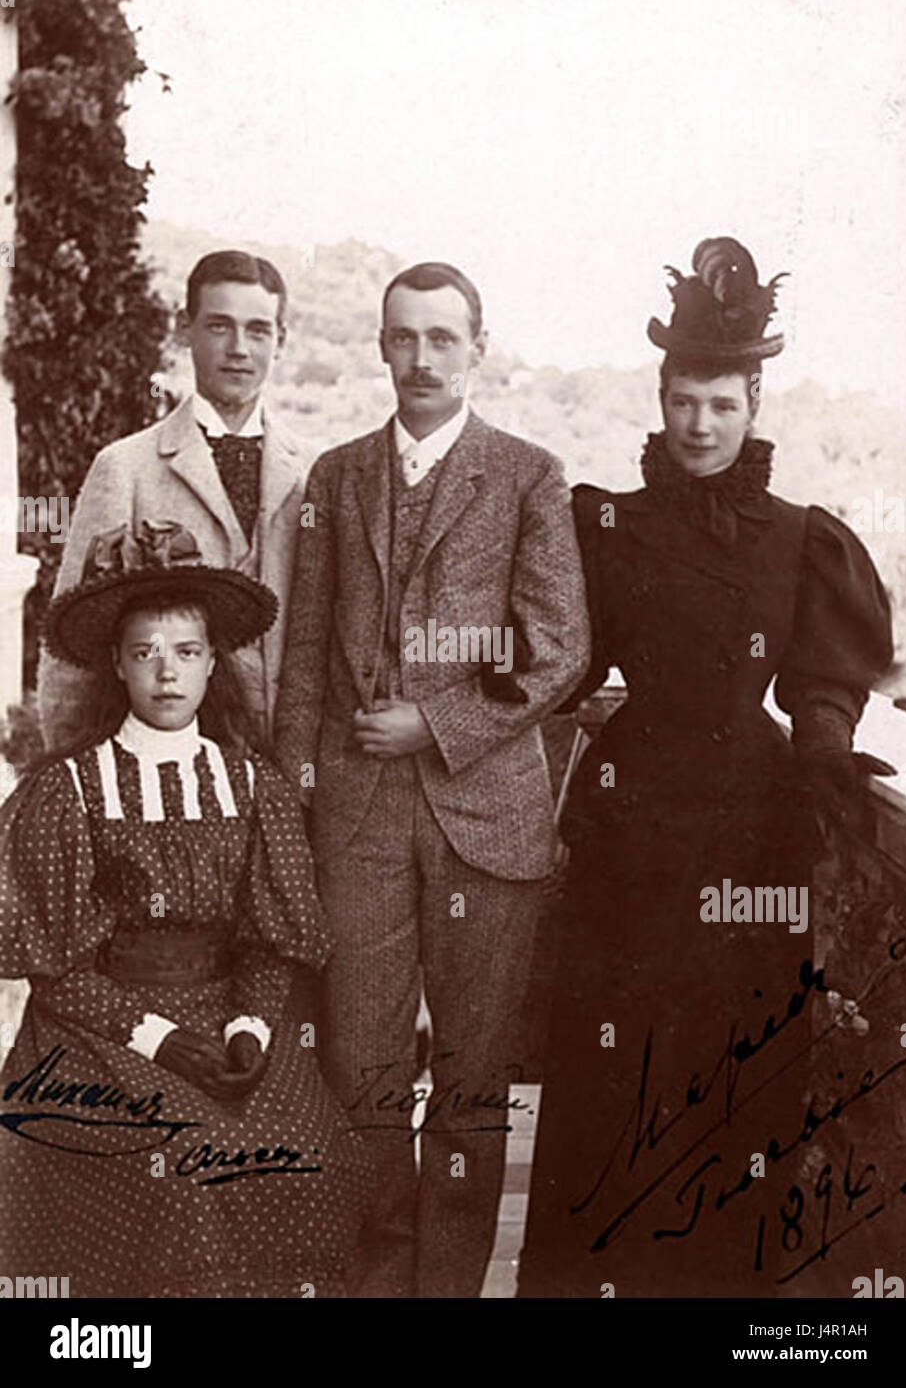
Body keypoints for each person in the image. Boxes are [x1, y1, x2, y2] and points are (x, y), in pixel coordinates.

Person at [517, 237, 894, 1298]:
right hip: (629, 830)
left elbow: (822, 679)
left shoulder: (798, 537)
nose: (698, 425)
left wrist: (822, 746)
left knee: (736, 1075)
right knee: (613, 1068)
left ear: (752, 403)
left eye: (721, 405)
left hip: (752, 831)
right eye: (684, 402)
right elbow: (560, 661)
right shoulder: (607, 526)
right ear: (660, 396)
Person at [273, 261, 590, 1298]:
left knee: (471, 1081)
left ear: (476, 350)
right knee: (358, 1070)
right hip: (355, 822)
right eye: (402, 338)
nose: (419, 359)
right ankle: (374, 1286)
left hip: (486, 821)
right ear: (378, 345)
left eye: (441, 339)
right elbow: (306, 662)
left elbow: (557, 651)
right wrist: (295, 802)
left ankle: (447, 1287)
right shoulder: (334, 478)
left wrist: (436, 723)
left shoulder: (528, 475)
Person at [0, 520, 373, 1297]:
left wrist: (248, 1026)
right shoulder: (66, 788)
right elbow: (53, 967)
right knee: (183, 1167)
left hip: (226, 1017)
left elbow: (272, 941)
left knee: (312, 1152)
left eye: (186, 652)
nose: (166, 674)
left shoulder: (251, 784)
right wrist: (161, 1041)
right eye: (145, 654)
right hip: (95, 1031)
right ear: (117, 665)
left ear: (211, 665)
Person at [38, 250, 307, 752]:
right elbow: (70, 652)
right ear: (185, 331)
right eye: (219, 326)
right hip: (162, 777)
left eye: (258, 330)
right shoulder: (127, 467)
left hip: (289, 779)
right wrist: (76, 780)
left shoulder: (315, 473)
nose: (239, 349)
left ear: (281, 340)